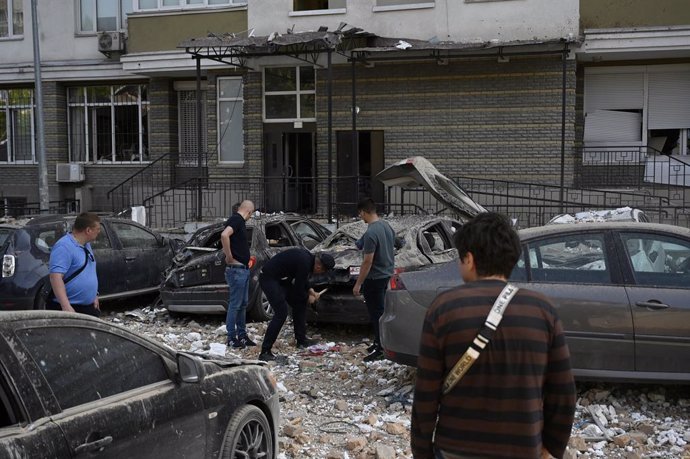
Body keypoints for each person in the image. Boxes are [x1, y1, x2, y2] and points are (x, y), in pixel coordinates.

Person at [411, 212, 576, 459]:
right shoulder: (542, 311)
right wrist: (552, 447)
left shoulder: (444, 308)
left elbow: (426, 392)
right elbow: (563, 393)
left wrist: (422, 451)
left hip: (456, 447)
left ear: (469, 259)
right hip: (522, 448)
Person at [258, 248, 335, 362]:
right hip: (269, 279)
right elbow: (299, 289)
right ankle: (265, 352)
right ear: (319, 267)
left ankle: (301, 340)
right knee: (281, 313)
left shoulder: (308, 259)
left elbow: (302, 280)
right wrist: (309, 298)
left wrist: (311, 290)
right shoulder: (305, 262)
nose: (319, 273)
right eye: (322, 272)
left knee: (299, 304)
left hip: (281, 280)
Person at [352, 197, 395, 362]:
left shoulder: (371, 232)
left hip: (374, 278)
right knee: (382, 313)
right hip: (387, 275)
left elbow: (367, 261)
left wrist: (358, 283)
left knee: (376, 314)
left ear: (363, 212)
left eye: (360, 214)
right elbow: (396, 242)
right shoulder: (385, 225)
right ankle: (379, 342)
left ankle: (381, 349)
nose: (360, 217)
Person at [48, 212, 101, 317]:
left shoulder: (86, 245)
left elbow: (88, 271)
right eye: (97, 229)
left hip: (88, 306)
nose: (99, 232)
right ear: (88, 230)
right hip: (71, 307)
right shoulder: (64, 246)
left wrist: (94, 295)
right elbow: (56, 277)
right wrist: (65, 306)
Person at [221, 199, 256, 349]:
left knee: (242, 304)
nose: (250, 218)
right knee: (235, 304)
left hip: (242, 269)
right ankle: (231, 337)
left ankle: (242, 336)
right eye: (251, 215)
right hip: (236, 270)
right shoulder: (237, 219)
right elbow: (224, 235)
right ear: (249, 212)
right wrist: (228, 256)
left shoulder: (239, 221)